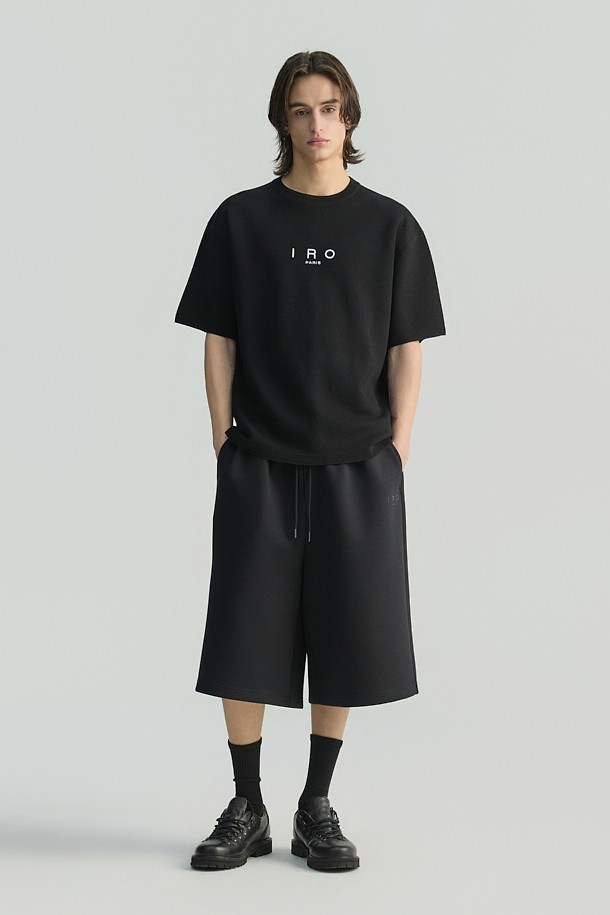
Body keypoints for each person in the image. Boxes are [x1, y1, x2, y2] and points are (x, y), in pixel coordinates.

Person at [174, 49, 446, 872]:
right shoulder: (242, 221)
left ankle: (316, 802)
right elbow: (219, 337)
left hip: (358, 463)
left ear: (350, 117)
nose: (317, 123)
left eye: (330, 108)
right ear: (282, 121)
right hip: (259, 457)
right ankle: (247, 804)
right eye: (301, 109)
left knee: (344, 634)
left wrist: (397, 447)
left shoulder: (389, 226)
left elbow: (406, 346)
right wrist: (222, 434)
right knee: (243, 632)